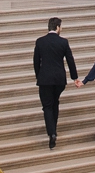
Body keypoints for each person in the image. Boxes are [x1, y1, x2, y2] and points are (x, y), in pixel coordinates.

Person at [32, 16, 77, 149]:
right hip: (59, 79)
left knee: (47, 106)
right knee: (55, 102)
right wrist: (74, 77)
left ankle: (51, 133)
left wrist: (38, 75)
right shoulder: (63, 42)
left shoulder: (40, 42)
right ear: (57, 28)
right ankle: (54, 128)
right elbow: (70, 60)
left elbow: (36, 61)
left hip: (45, 79)